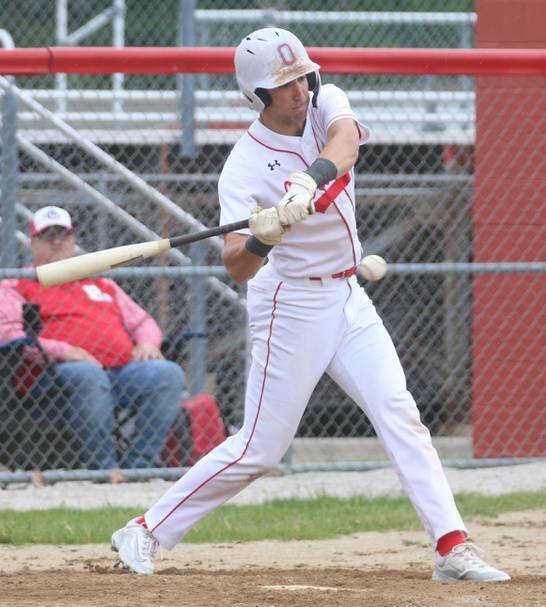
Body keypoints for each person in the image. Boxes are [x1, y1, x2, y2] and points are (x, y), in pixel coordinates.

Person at [110, 28, 510, 582]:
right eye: (285, 84)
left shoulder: (327, 103)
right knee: (260, 448)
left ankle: (451, 545)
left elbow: (343, 145)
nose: (299, 89)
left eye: (301, 76)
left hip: (349, 295)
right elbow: (236, 265)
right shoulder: (244, 166)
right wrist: (266, 234)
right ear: (259, 96)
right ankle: (145, 530)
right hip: (290, 304)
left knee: (402, 415)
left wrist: (307, 183)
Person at [0, 206, 184, 472]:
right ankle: (105, 470)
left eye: (63, 234)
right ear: (33, 243)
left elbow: (142, 321)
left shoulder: (100, 283)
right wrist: (64, 351)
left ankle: (137, 469)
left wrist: (147, 343)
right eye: (47, 235)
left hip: (119, 372)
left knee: (167, 374)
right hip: (54, 377)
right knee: (88, 375)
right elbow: (10, 335)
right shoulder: (16, 284)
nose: (57, 241)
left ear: (73, 239)